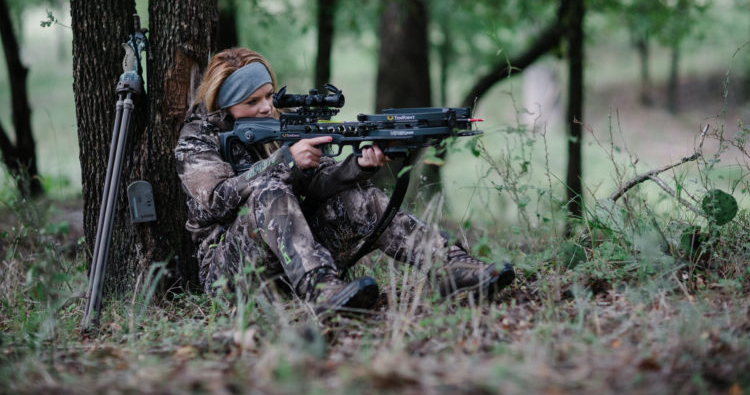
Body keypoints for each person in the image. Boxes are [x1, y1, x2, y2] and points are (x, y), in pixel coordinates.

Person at [175, 47, 514, 315]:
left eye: (269, 95)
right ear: (226, 104)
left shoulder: (281, 124)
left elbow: (319, 182)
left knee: (360, 197)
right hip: (232, 276)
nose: (267, 107)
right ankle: (322, 290)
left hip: (291, 262)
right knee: (269, 189)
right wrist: (284, 162)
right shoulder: (197, 138)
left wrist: (358, 166)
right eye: (253, 102)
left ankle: (450, 266)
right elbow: (217, 199)